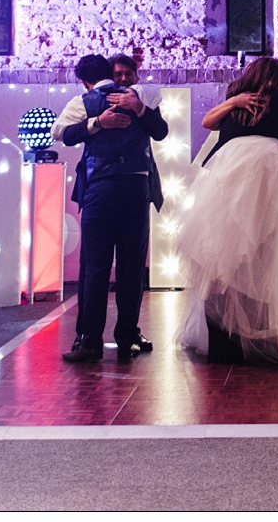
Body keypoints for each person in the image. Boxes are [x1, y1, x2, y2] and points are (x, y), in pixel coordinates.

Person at [177, 57, 278, 365]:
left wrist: (234, 102)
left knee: (219, 259)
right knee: (262, 261)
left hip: (226, 187)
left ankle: (222, 344)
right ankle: (261, 343)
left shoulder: (235, 105)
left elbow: (208, 123)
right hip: (265, 189)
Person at [52, 53, 168, 363]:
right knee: (120, 266)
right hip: (121, 188)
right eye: (118, 74)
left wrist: (136, 109)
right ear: (109, 74)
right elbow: (66, 133)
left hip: (114, 189)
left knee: (104, 266)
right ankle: (115, 337)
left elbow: (60, 133)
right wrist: (98, 123)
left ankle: (98, 340)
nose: (123, 80)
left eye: (128, 74)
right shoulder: (105, 100)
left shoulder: (135, 97)